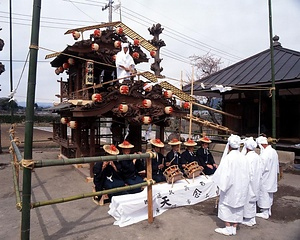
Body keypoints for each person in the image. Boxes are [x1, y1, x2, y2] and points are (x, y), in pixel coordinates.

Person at [213, 134, 250, 236]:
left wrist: (221, 185)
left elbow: (224, 175)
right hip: (241, 186)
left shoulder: (228, 158)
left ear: (229, 146)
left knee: (226, 205)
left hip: (231, 187)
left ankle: (228, 227)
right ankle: (234, 227)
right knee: (238, 207)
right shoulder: (243, 157)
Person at [255, 136, 279, 220]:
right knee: (269, 193)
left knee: (264, 193)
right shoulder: (273, 151)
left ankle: (264, 212)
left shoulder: (265, 154)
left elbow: (262, 167)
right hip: (272, 176)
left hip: (265, 176)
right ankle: (268, 209)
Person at [241, 137, 262, 227]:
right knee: (253, 198)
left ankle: (249, 218)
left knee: (248, 198)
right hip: (256, 180)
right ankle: (252, 217)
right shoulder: (257, 156)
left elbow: (248, 171)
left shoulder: (248, 158)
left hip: (250, 181)